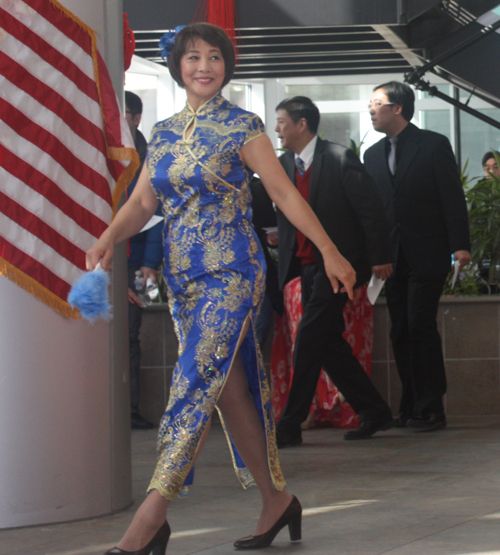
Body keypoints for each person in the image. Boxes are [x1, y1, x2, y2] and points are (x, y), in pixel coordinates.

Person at [87, 23, 356, 554]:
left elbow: (282, 193)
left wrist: (328, 248)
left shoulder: (243, 126)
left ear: (226, 67)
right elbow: (143, 205)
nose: (204, 66)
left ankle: (151, 516)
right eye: (193, 58)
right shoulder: (163, 132)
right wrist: (106, 238)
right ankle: (277, 501)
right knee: (227, 388)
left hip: (233, 272)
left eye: (214, 57)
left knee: (191, 383)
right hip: (183, 280)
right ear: (178, 67)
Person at [274, 96, 394, 447]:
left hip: (340, 267)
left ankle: (289, 424)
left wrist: (379, 257)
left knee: (309, 340)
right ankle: (374, 410)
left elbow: (370, 211)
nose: (277, 128)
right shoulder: (282, 165)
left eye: (282, 121)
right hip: (308, 267)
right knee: (327, 345)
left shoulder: (339, 158)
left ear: (301, 124)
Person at [364, 81, 471, 431]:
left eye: (377, 103)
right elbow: (375, 212)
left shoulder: (433, 145)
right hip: (391, 259)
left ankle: (432, 407)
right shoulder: (372, 155)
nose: (371, 110)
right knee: (400, 331)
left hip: (427, 252)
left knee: (420, 325)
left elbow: (451, 197)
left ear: (398, 108)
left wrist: (461, 245)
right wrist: (375, 254)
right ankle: (410, 404)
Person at [125, 91, 163, 430]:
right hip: (104, 263)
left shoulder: (150, 155)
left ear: (136, 118)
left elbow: (156, 214)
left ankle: (132, 408)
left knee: (134, 333)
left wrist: (149, 265)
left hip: (138, 263)